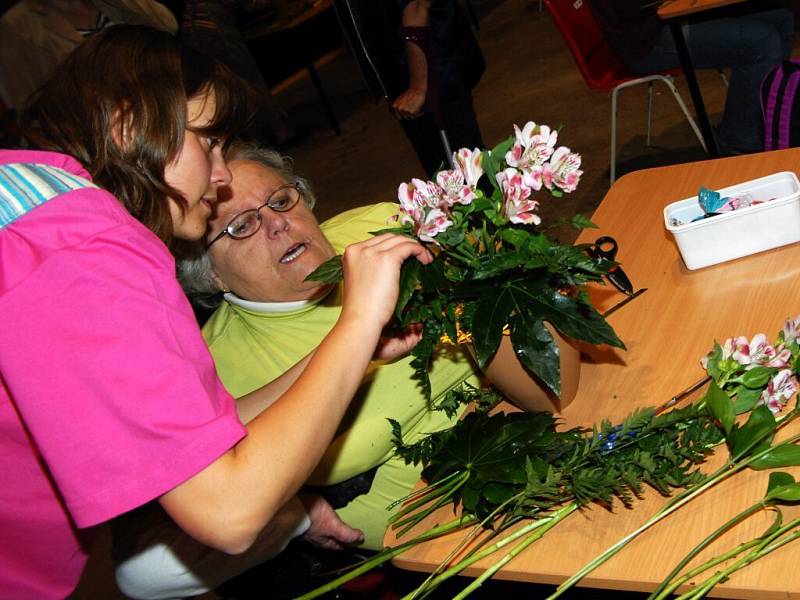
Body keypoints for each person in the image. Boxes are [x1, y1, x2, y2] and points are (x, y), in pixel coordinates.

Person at [0, 25, 432, 599]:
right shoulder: (84, 248)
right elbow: (229, 511)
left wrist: (351, 350)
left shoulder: (41, 207)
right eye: (208, 142)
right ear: (131, 125)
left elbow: (196, 443)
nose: (222, 173)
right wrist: (357, 320)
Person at [110, 141, 582, 598]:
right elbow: (173, 524)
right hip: (445, 538)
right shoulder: (213, 370)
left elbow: (552, 386)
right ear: (207, 270)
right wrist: (289, 510)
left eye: (281, 200)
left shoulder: (382, 229)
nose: (277, 224)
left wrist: (479, 272)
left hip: (546, 429)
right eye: (240, 227)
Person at [590, 1, 795, 155]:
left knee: (782, 19)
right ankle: (739, 141)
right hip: (646, 40)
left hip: (659, 22)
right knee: (762, 42)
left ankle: (764, 118)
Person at [338, 0, 485, 176]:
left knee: (467, 180)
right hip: (409, 79)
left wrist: (418, 87)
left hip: (431, 74)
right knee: (446, 176)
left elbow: (417, 6)